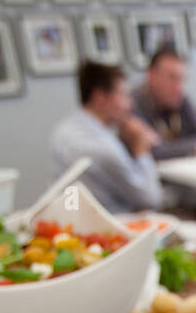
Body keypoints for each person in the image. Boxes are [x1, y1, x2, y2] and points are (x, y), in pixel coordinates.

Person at [50, 60, 163, 214]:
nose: (130, 104)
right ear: (100, 98)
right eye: (123, 95)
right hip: (115, 224)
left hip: (73, 219)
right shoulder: (105, 147)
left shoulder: (63, 131)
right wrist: (141, 147)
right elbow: (151, 198)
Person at [131, 47, 196, 160]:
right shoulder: (133, 104)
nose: (178, 87)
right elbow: (154, 151)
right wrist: (195, 148)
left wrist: (174, 147)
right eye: (172, 78)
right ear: (152, 76)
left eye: (182, 79)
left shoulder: (180, 99)